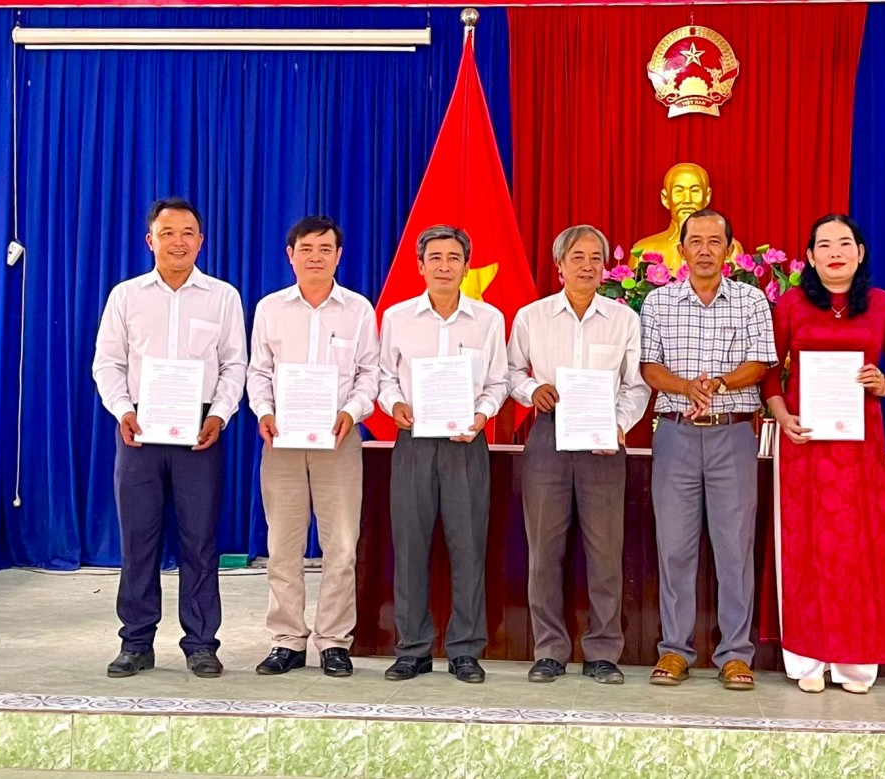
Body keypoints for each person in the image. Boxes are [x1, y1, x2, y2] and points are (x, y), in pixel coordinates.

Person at [92, 197, 247, 679]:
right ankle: (136, 642)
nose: (178, 242)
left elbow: (234, 365)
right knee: (138, 540)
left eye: (187, 233)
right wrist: (123, 410)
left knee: (199, 541)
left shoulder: (222, 297)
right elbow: (108, 363)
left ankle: (201, 644)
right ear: (150, 240)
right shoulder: (126, 296)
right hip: (139, 429)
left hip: (200, 431)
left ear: (201, 241)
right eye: (167, 233)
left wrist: (219, 415)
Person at [763, 215, 885, 694]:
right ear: (809, 257)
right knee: (805, 548)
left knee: (859, 548)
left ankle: (856, 663)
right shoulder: (791, 304)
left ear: (860, 252)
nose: (835, 253)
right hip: (804, 444)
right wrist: (782, 416)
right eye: (824, 245)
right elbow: (769, 374)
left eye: (844, 243)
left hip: (860, 449)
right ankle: (807, 660)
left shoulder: (883, 305)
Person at [639, 208, 776, 691]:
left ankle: (735, 654)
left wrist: (717, 384)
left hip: (732, 434)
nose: (703, 250)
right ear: (681, 250)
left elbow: (761, 363)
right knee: (674, 547)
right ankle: (674, 650)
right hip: (675, 434)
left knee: (734, 548)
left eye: (714, 242)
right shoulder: (658, 301)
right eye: (694, 241)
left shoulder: (751, 299)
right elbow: (649, 366)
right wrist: (685, 387)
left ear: (729, 249)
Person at [507, 225, 651, 685]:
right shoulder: (532, 317)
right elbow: (510, 372)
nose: (587, 266)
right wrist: (532, 390)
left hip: (603, 441)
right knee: (544, 550)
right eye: (577, 257)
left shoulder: (624, 319)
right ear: (559, 265)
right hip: (549, 436)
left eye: (595, 258)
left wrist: (619, 424)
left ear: (604, 267)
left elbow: (637, 384)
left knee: (605, 551)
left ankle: (603, 652)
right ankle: (550, 650)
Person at [245, 215, 379, 678]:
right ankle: (287, 639)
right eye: (306, 248)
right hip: (282, 441)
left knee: (341, 545)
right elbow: (258, 372)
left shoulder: (358, 310)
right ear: (291, 255)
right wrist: (264, 412)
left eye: (325, 249)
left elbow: (370, 374)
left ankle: (334, 641)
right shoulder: (271, 308)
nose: (315, 257)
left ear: (339, 256)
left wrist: (353, 412)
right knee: (282, 545)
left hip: (339, 439)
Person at [376, 225, 509, 683]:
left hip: (465, 443)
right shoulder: (398, 317)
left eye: (454, 258)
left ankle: (465, 650)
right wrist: (395, 404)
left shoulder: (488, 319)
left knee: (468, 547)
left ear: (467, 266)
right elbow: (384, 377)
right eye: (435, 258)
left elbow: (498, 382)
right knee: (410, 546)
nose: (444, 266)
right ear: (420, 266)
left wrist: (482, 414)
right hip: (413, 442)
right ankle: (412, 649)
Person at [629, 162, 743, 273]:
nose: (687, 200)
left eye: (695, 191)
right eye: (679, 191)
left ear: (707, 197)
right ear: (665, 198)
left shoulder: (729, 248)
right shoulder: (644, 251)